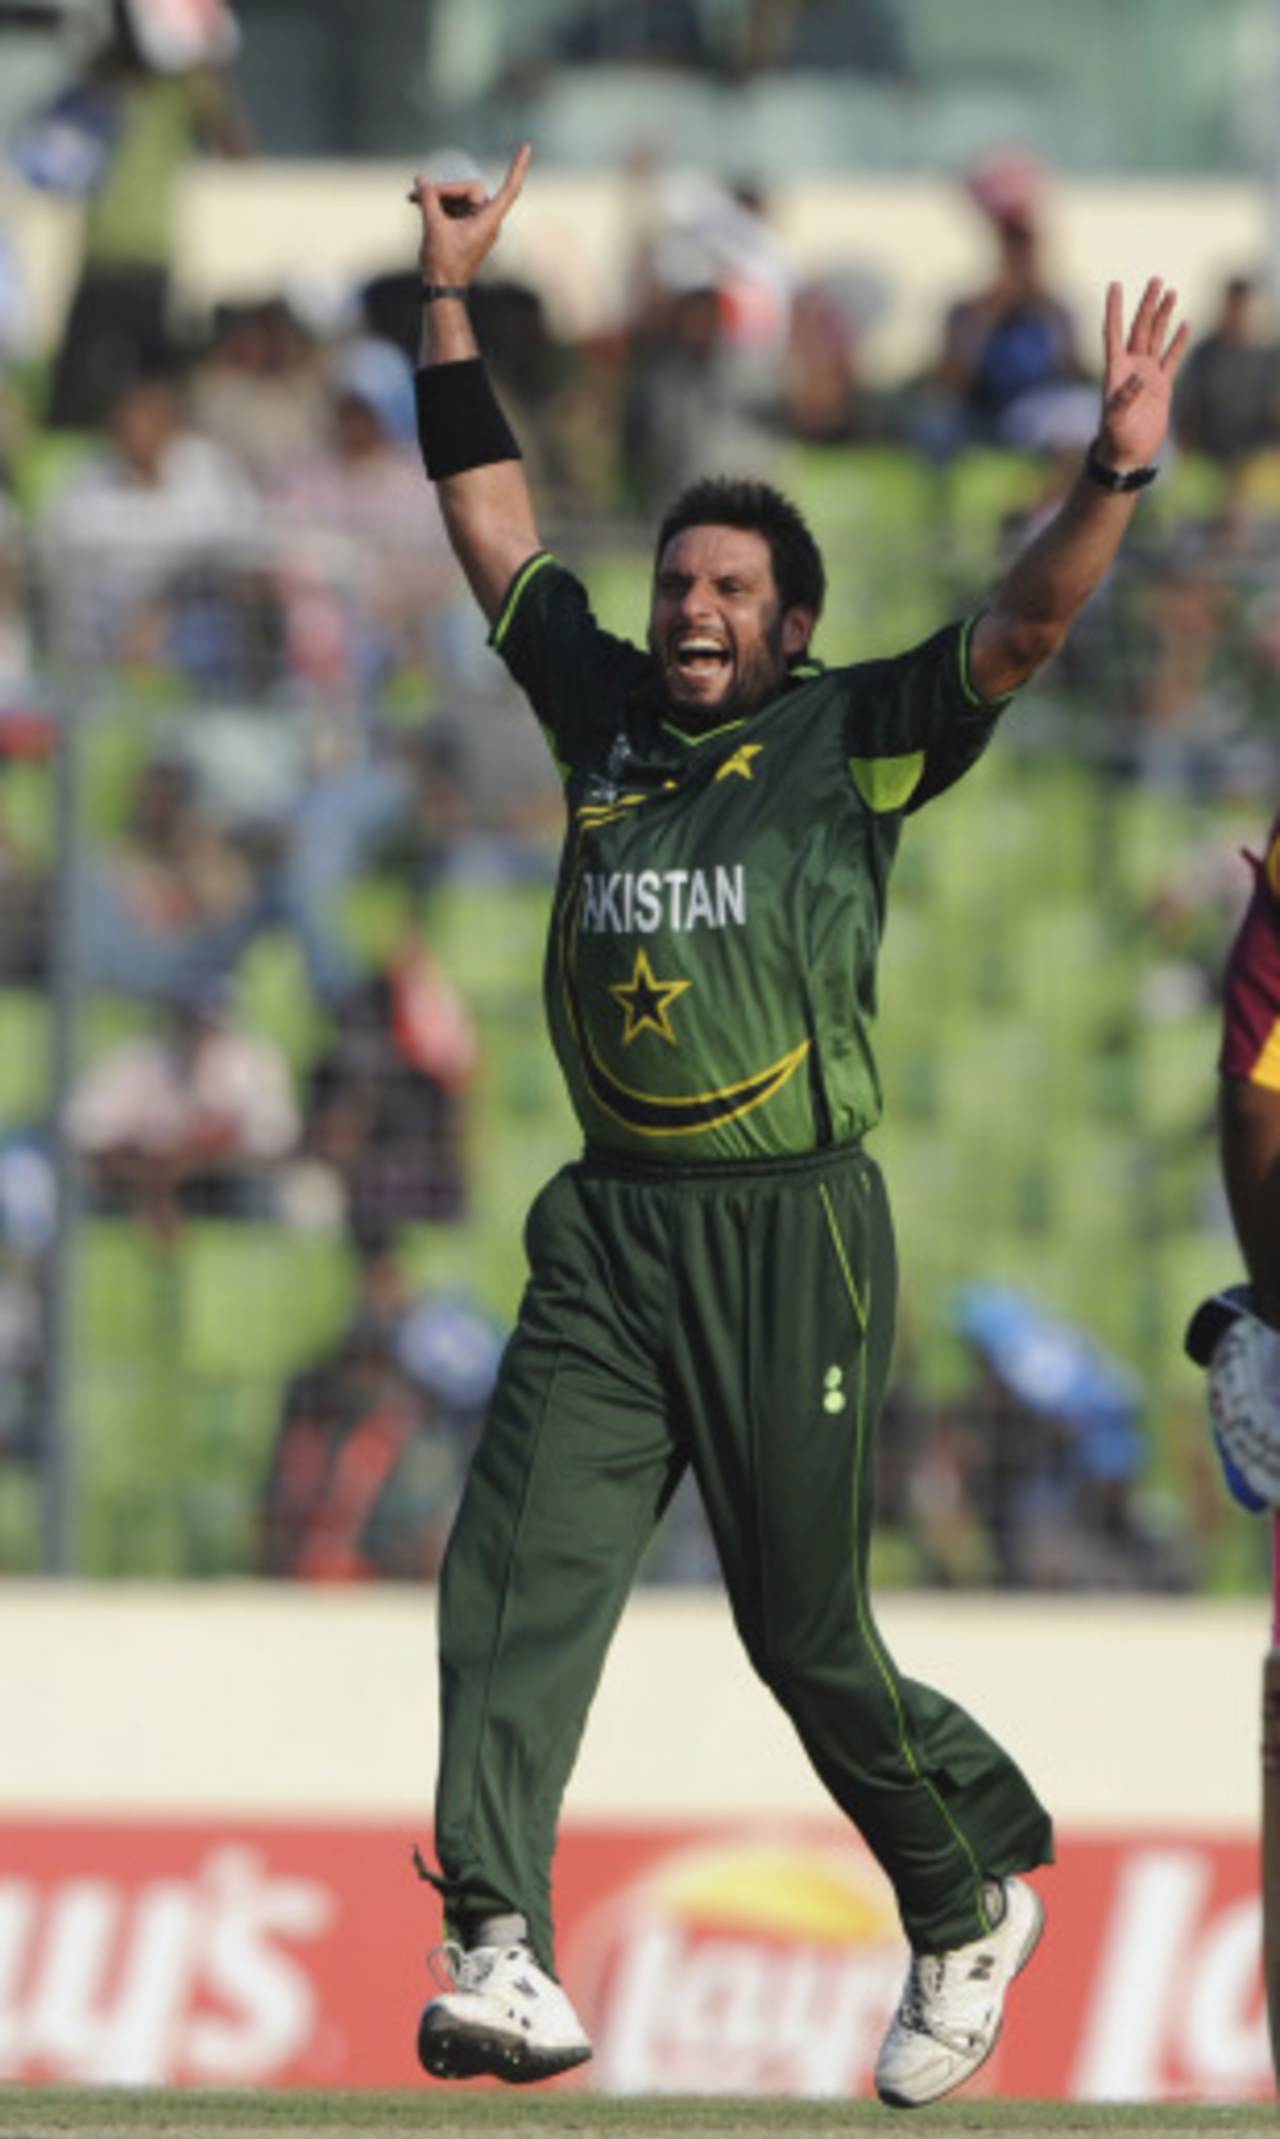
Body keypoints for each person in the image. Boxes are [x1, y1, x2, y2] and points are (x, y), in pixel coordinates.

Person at [406, 143, 1189, 2107]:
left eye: (730, 592)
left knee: (802, 1630)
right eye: (677, 581)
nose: (689, 612)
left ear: (792, 623)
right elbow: (492, 527)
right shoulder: (597, 714)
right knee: (508, 1573)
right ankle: (496, 1940)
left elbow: (1010, 636)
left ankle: (956, 1892)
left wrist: (1107, 472)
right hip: (610, 1236)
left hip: (789, 1229)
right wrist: (446, 296)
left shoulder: (847, 741)